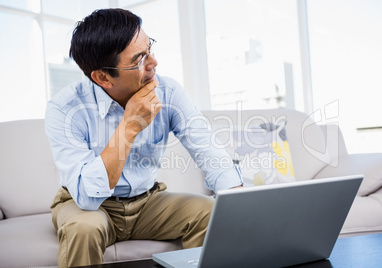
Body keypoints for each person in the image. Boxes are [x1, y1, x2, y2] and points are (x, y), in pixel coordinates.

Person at [45, 8, 243, 268]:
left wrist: (238, 203)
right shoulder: (64, 109)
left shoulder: (169, 91)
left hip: (147, 201)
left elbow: (208, 149)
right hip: (88, 205)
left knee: (211, 213)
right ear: (103, 77)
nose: (154, 63)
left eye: (149, 48)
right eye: (139, 58)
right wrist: (130, 124)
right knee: (85, 228)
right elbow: (87, 196)